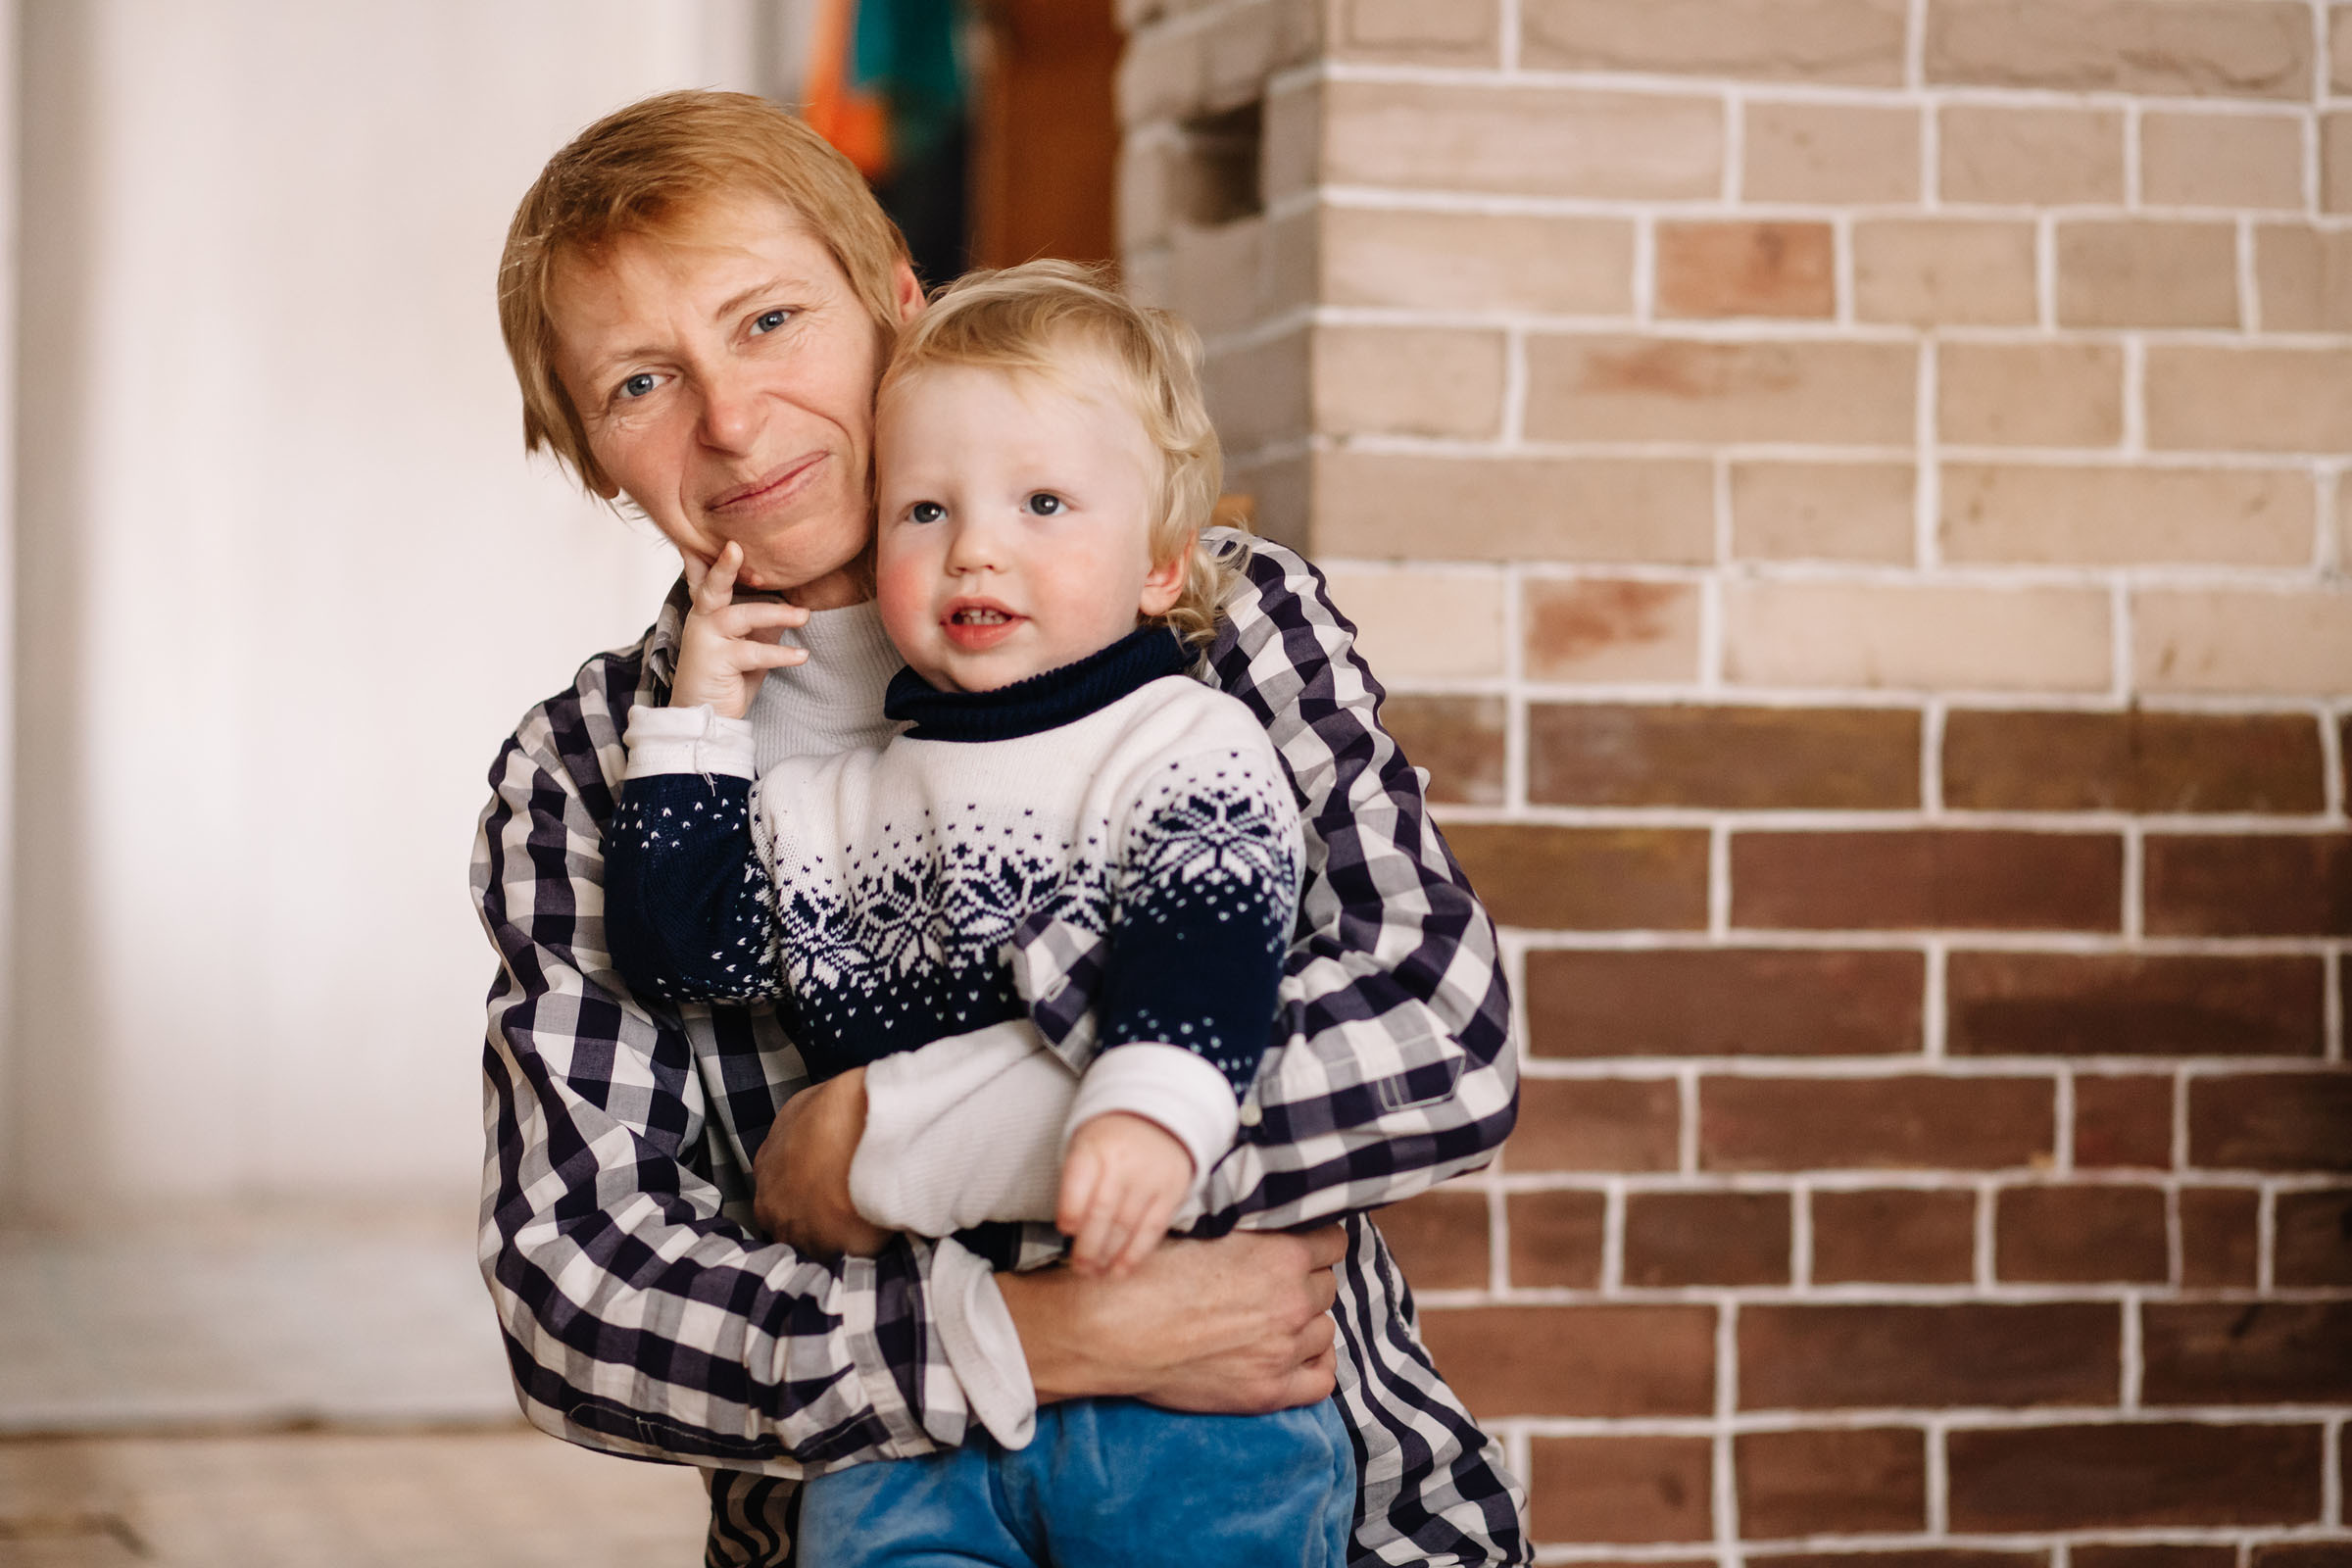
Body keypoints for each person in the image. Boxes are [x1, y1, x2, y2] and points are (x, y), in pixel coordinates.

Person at [473, 88, 1525, 1567]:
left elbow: (1439, 1033)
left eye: (770, 321)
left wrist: (871, 1150)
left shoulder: (1209, 614)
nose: (729, 419)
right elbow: (583, 1298)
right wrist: (1032, 1333)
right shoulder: (589, 779)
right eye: (640, 385)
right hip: (879, 1520)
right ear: (593, 457)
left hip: (1333, 1512)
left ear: (899, 301)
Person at [605, 261, 1356, 1566]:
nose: (977, 547)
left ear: (1162, 564)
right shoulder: (832, 803)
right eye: (925, 509)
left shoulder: (1178, 739)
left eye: (1044, 503)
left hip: (1182, 1407)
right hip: (919, 1423)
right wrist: (699, 725)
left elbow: (1210, 932)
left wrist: (1151, 1104)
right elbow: (684, 956)